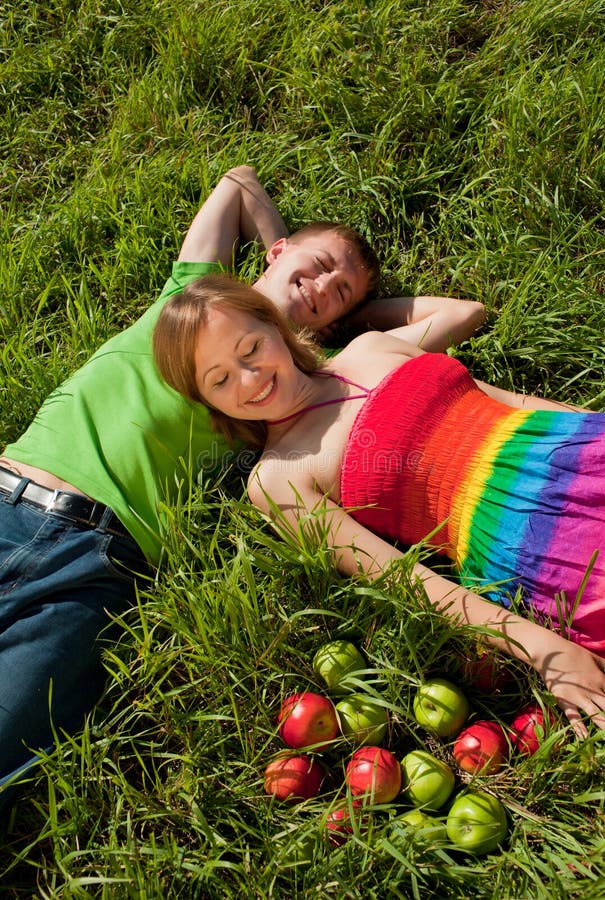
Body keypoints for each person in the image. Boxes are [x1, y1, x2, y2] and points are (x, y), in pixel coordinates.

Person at [0, 166, 484, 800]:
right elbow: (238, 181)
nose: (319, 287)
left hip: (97, 571)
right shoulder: (190, 297)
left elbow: (464, 312)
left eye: (336, 293)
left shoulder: (292, 386)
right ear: (276, 253)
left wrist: (353, 318)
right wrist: (269, 274)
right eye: (314, 267)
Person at [153, 275, 605, 740]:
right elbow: (405, 580)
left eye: (250, 348)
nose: (249, 377)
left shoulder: (372, 347)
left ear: (274, 325)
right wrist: (545, 650)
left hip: (583, 451)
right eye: (220, 379)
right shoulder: (277, 479)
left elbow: (517, 404)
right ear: (206, 400)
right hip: (540, 540)